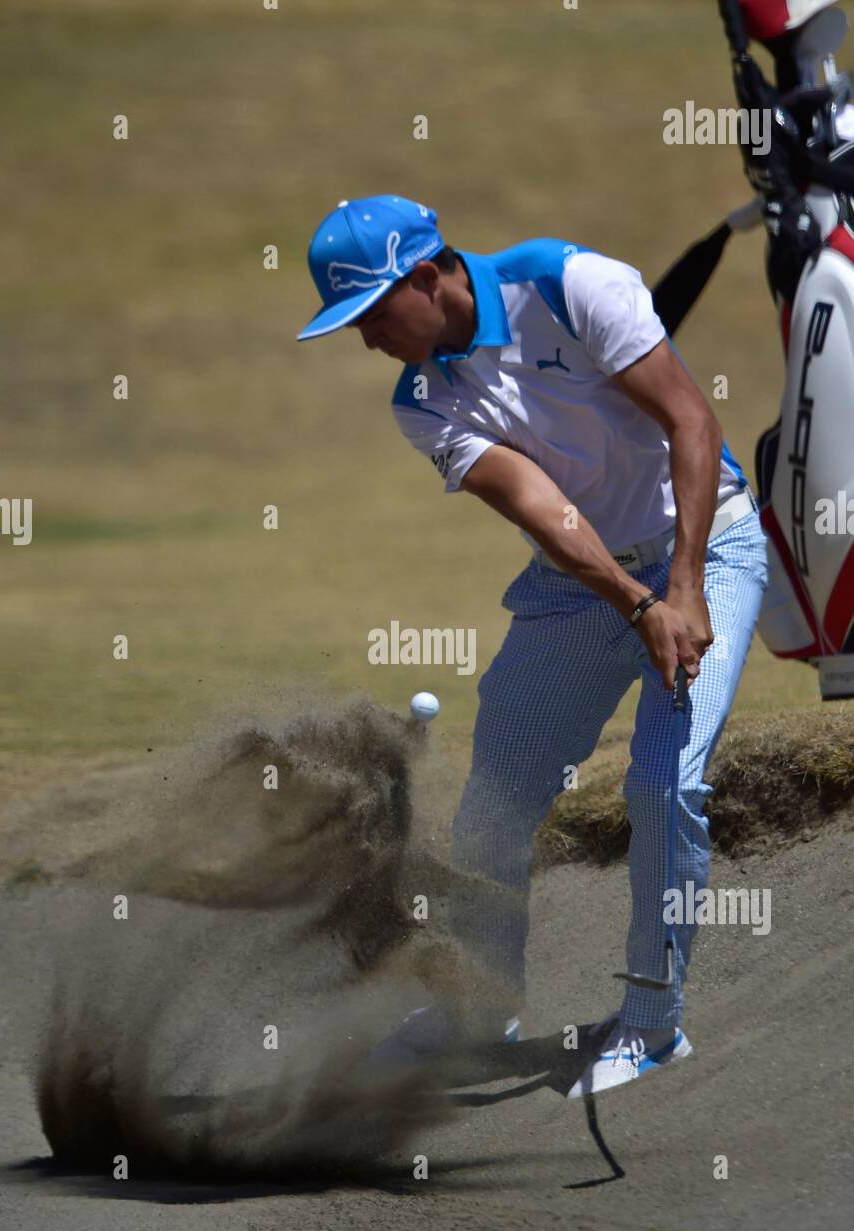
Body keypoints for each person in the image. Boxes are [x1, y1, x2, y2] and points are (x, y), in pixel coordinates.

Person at [297, 194, 768, 1097]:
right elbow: (543, 511)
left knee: (664, 785)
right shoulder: (422, 402)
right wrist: (638, 606)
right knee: (492, 805)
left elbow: (692, 424)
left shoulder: (568, 282)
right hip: (581, 588)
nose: (364, 342)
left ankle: (651, 1025)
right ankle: (478, 1009)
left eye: (368, 314)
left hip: (706, 546)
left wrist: (680, 590)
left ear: (424, 276)